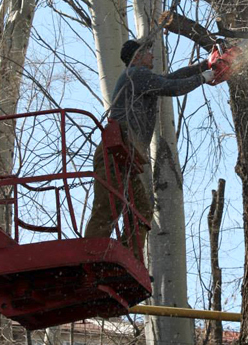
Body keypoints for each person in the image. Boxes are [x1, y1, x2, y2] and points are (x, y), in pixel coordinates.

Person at [85, 39, 216, 259]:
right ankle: (90, 256)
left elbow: (171, 78)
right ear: (137, 56)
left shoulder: (143, 79)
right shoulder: (135, 75)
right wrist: (202, 78)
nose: (153, 56)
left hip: (126, 159)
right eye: (149, 52)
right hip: (114, 154)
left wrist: (205, 65)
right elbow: (172, 87)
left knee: (142, 210)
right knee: (107, 206)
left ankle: (129, 259)